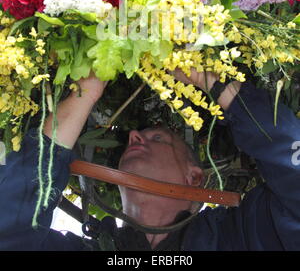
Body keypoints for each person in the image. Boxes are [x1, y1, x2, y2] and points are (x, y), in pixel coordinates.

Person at [0, 68, 299, 251]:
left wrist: (212, 83)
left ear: (194, 177)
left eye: (158, 138)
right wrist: (84, 95)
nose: (134, 137)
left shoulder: (246, 237)